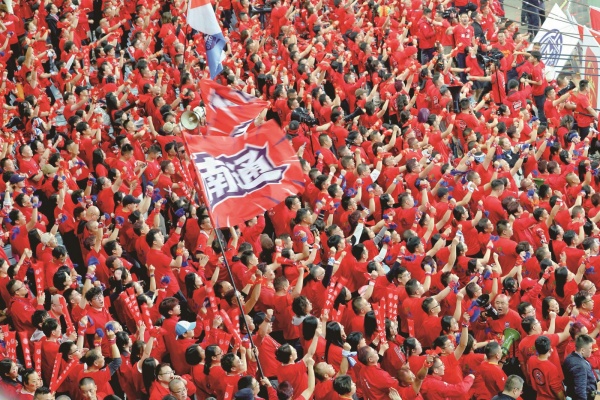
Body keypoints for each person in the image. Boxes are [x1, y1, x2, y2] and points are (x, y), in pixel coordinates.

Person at [563, 334, 598, 400]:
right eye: (590, 348)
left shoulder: (570, 357)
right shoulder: (580, 366)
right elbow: (580, 391)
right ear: (582, 350)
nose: (592, 350)